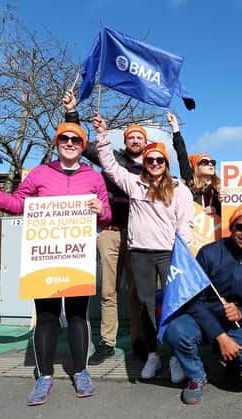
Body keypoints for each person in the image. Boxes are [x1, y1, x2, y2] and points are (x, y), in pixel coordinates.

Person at [0, 122, 111, 406]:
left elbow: (106, 215)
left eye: (76, 140)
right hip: (44, 256)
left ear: (82, 146)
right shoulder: (41, 174)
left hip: (77, 256)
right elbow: (16, 204)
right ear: (57, 143)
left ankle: (81, 372)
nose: (70, 143)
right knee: (46, 316)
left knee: (79, 315)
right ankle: (44, 377)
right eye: (64, 139)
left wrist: (102, 210)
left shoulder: (94, 177)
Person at [93, 113, 194, 381]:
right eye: (150, 160)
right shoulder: (134, 183)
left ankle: (175, 357)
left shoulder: (178, 188)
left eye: (160, 159)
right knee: (146, 306)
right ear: (145, 164)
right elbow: (110, 167)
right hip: (140, 254)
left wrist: (181, 253)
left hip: (168, 254)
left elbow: (185, 224)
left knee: (172, 306)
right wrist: (103, 136)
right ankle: (153, 354)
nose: (155, 163)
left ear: (166, 162)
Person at [62, 89, 145, 365]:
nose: (135, 141)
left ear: (146, 144)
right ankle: (108, 342)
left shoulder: (152, 167)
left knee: (137, 292)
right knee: (109, 291)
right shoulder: (113, 159)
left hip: (137, 237)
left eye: (140, 138)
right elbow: (82, 145)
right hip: (109, 233)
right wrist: (72, 112)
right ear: (125, 141)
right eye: (132, 137)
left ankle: (139, 341)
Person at [164, 201, 242, 405]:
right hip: (206, 318)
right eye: (240, 226)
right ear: (231, 227)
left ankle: (233, 365)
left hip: (240, 323)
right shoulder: (209, 252)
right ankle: (196, 376)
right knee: (176, 330)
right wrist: (220, 336)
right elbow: (193, 300)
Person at [168, 112, 222, 216]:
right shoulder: (190, 181)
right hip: (192, 229)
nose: (210, 164)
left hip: (214, 230)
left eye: (212, 162)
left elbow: (230, 212)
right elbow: (182, 153)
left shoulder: (219, 189)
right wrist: (175, 129)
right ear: (196, 167)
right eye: (205, 162)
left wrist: (217, 210)